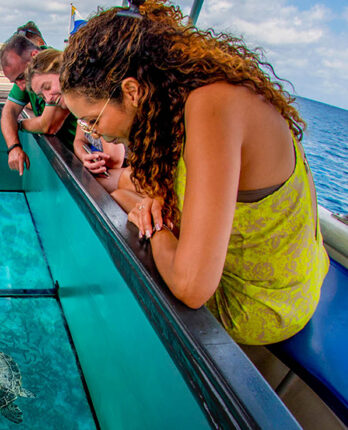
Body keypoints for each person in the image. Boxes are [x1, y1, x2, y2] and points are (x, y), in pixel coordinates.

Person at [60, 1, 329, 345]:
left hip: (261, 304)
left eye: (93, 119)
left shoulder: (212, 107)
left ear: (131, 91)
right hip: (294, 269)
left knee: (129, 213)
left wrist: (155, 229)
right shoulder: (182, 101)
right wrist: (149, 206)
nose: (92, 133)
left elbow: (191, 288)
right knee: (122, 195)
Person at [25, 48, 128, 192]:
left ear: (63, 72)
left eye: (47, 87)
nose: (48, 99)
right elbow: (78, 140)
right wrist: (85, 156)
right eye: (42, 96)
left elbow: (115, 159)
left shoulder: (92, 96)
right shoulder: (77, 107)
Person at [0, 34, 76, 176]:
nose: (21, 87)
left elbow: (48, 125)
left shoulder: (53, 70)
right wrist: (13, 147)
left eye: (21, 78)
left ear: (34, 55)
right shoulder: (26, 76)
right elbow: (8, 111)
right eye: (15, 82)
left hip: (80, 154)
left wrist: (20, 125)